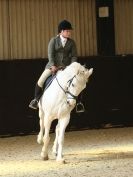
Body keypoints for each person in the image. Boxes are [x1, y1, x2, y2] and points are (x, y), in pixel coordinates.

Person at [29, 20, 78, 110]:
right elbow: (50, 54)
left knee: (77, 82)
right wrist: (52, 65)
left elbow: (74, 56)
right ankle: (35, 100)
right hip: (52, 66)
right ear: (61, 31)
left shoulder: (72, 42)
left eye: (69, 31)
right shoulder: (53, 41)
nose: (69, 33)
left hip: (66, 67)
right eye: (67, 31)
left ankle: (79, 103)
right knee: (41, 80)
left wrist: (72, 67)